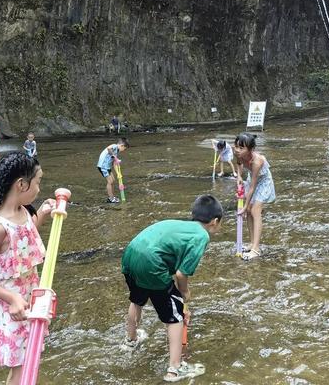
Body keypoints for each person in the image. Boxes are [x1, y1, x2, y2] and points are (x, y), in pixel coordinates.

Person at [0, 152, 56, 385]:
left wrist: (45, 214)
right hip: (10, 306)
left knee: (30, 359)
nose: (39, 189)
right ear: (21, 184)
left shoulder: (24, 211)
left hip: (29, 297)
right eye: (37, 182)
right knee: (21, 368)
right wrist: (12, 299)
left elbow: (24, 239)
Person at [121, 194, 222, 382]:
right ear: (214, 221)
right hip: (152, 263)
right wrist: (183, 293)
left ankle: (130, 341)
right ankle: (175, 369)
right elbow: (181, 274)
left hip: (131, 253)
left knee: (137, 299)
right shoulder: (201, 235)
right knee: (175, 317)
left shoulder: (181, 226)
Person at [233, 133, 276, 260]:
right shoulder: (238, 153)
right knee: (248, 212)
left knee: (254, 210)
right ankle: (252, 243)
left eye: (241, 148)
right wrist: (239, 176)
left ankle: (256, 249)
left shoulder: (257, 161)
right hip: (251, 178)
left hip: (263, 181)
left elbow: (253, 186)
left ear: (251, 150)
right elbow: (239, 164)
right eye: (236, 147)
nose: (237, 150)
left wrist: (246, 205)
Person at [96, 137, 129, 203]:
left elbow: (114, 163)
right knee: (110, 181)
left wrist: (118, 174)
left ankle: (112, 196)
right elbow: (109, 148)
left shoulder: (116, 151)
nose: (124, 150)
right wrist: (114, 156)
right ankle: (110, 198)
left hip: (107, 167)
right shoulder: (114, 146)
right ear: (122, 145)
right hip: (102, 166)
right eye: (124, 149)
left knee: (113, 180)